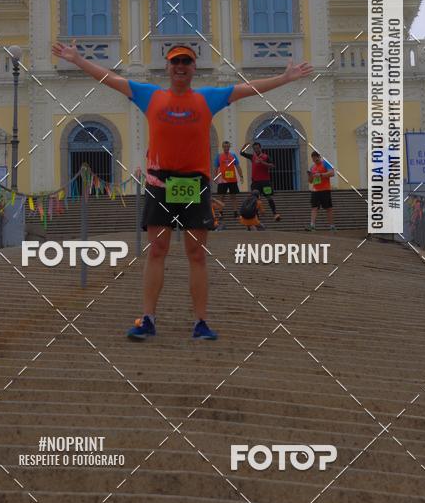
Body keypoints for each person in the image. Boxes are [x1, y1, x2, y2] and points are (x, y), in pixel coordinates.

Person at [51, 38, 313, 341]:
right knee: (156, 250)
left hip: (194, 185)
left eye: (186, 61)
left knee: (197, 254)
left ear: (193, 68)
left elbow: (248, 89)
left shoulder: (208, 98)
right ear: (167, 67)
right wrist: (77, 60)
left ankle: (201, 322)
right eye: (175, 61)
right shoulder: (150, 95)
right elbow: (110, 79)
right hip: (159, 184)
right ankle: (148, 319)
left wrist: (285, 78)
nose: (180, 66)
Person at [240, 141, 281, 221]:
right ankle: (256, 216)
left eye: (257, 148)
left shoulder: (266, 157)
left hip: (265, 182)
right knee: (254, 199)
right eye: (255, 148)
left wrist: (262, 162)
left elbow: (272, 165)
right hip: (255, 182)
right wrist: (245, 146)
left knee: (269, 197)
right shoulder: (252, 157)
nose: (256, 150)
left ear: (260, 148)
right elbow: (241, 153)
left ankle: (275, 213)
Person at [306, 150, 336, 231]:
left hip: (325, 190)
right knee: (314, 208)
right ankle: (312, 226)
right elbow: (310, 181)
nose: (315, 161)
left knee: (328, 208)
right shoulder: (312, 167)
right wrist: (310, 176)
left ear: (319, 157)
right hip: (315, 190)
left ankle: (332, 226)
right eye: (313, 159)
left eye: (316, 159)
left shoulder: (326, 163)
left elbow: (332, 173)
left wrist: (321, 174)